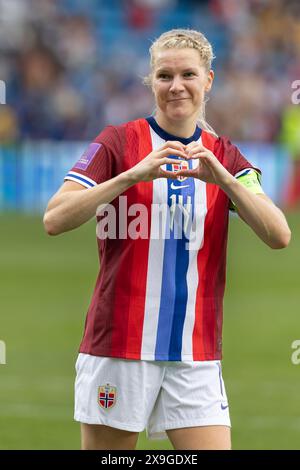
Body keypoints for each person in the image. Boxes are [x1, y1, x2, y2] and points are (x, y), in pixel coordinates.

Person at [43, 29, 291, 450]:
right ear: (151, 81)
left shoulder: (224, 155)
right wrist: (131, 175)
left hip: (196, 354)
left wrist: (226, 182)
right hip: (119, 345)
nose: (176, 86)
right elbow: (55, 218)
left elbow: (279, 234)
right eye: (164, 76)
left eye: (188, 74)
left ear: (208, 80)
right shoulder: (117, 143)